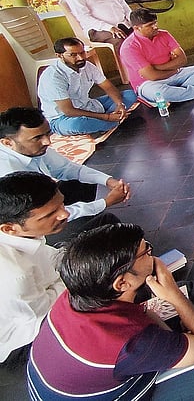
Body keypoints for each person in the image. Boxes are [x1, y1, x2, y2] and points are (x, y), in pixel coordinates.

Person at [26, 223, 194, 400]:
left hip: (65, 387)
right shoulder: (129, 343)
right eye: (146, 252)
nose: (154, 257)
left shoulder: (73, 296)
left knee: (189, 295)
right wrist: (174, 295)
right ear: (122, 283)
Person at [0, 172, 68, 395]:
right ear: (10, 228)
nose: (65, 214)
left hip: (49, 284)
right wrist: (74, 275)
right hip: (23, 341)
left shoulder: (22, 235)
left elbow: (49, 260)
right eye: (51, 214)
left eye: (62, 204)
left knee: (107, 228)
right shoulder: (14, 273)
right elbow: (42, 313)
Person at [0, 107, 130, 222]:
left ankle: (85, 222)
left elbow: (68, 169)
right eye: (37, 138)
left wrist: (108, 181)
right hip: (33, 225)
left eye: (47, 134)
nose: (47, 142)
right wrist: (105, 203)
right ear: (7, 143)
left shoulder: (34, 150)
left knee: (81, 181)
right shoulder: (9, 175)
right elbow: (43, 216)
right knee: (107, 222)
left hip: (42, 208)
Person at [38, 37, 138, 136]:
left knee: (129, 94)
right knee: (77, 125)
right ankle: (111, 121)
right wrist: (106, 117)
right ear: (59, 56)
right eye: (73, 55)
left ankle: (106, 121)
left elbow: (108, 86)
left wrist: (120, 104)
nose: (81, 58)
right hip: (63, 118)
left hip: (88, 106)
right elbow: (68, 111)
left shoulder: (87, 66)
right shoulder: (53, 76)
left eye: (82, 53)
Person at [120, 8, 194, 103]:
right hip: (148, 83)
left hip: (175, 74)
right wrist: (173, 68)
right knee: (160, 92)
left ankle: (178, 94)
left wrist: (158, 68)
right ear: (137, 28)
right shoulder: (129, 47)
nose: (155, 27)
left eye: (155, 22)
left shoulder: (164, 34)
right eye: (150, 25)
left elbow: (182, 59)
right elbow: (152, 76)